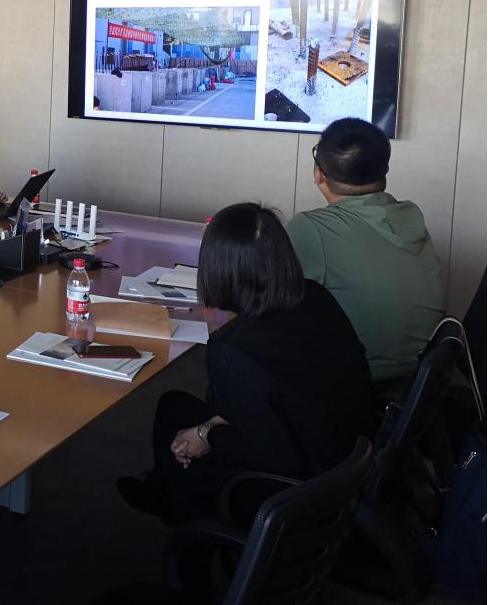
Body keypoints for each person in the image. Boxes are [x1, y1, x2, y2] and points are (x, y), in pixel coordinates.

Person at [117, 203, 375, 525]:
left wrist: (206, 435)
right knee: (173, 406)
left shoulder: (235, 350)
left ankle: (184, 517)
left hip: (296, 495)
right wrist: (210, 426)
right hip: (350, 460)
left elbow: (276, 459)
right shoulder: (315, 296)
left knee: (181, 430)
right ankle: (164, 490)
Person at [287, 117, 444, 385]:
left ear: (319, 174)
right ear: (385, 171)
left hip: (356, 384)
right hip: (422, 382)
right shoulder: (409, 216)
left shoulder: (310, 228)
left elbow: (264, 298)